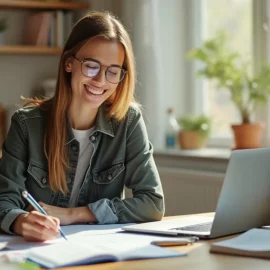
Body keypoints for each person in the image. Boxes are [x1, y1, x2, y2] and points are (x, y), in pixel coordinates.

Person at [0, 11, 164, 242]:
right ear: (69, 63)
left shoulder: (128, 121)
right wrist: (21, 222)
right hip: (36, 250)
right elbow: (4, 198)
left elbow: (152, 203)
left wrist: (74, 215)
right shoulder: (26, 124)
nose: (100, 81)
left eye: (113, 71)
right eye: (91, 66)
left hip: (97, 252)